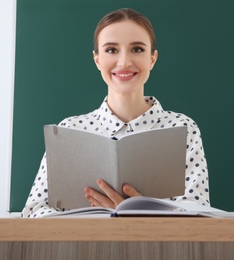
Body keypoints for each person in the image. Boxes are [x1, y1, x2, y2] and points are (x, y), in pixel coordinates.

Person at [22, 8, 210, 218]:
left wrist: (140, 213)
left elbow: (198, 216)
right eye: (111, 50)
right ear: (97, 59)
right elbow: (34, 211)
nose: (124, 62)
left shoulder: (181, 128)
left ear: (152, 59)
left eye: (137, 49)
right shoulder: (69, 130)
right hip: (84, 249)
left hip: (157, 251)